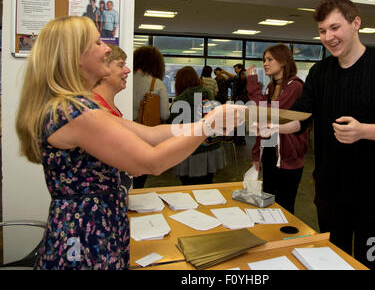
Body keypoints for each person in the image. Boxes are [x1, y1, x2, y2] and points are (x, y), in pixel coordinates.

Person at [15, 16, 244, 270]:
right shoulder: (75, 112)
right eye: (97, 42)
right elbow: (150, 162)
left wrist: (207, 122)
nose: (105, 48)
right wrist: (208, 126)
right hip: (86, 237)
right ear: (75, 56)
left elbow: (150, 134)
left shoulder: (71, 108)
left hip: (91, 227)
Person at [269, 0, 375, 270]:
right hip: (331, 195)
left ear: (356, 23)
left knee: (370, 263)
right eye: (322, 31)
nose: (328, 37)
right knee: (333, 262)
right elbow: (302, 117)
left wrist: (364, 131)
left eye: (335, 28)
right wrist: (270, 123)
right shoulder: (320, 72)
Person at [246, 44, 308, 214]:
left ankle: (286, 239)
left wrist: (252, 84)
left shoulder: (295, 86)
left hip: (288, 157)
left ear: (283, 61)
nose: (265, 63)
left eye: (270, 59)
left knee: (284, 206)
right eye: (264, 59)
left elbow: (268, 114)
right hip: (270, 153)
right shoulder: (271, 87)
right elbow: (263, 124)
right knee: (270, 202)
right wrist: (256, 155)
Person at [167, 66, 226, 185]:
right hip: (211, 148)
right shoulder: (208, 94)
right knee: (206, 184)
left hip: (190, 151)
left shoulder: (180, 100)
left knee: (188, 186)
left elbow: (173, 128)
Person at [92, 44, 132, 190]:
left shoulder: (107, 105)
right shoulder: (96, 108)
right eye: (121, 65)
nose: (127, 70)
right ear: (103, 69)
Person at [133, 45, 170, 188]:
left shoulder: (124, 79)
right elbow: (164, 114)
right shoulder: (156, 84)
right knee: (139, 177)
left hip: (121, 132)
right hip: (146, 137)